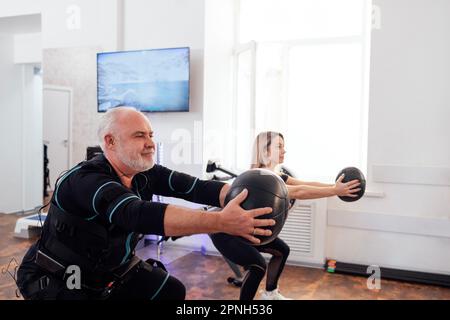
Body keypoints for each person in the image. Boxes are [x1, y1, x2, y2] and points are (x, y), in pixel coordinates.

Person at [16, 107, 275, 300]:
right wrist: (221, 222)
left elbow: (199, 188)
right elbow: (135, 213)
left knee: (171, 292)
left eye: (150, 134)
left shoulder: (144, 172)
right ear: (110, 141)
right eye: (140, 135)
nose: (150, 143)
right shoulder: (85, 180)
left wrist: (250, 192)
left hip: (109, 271)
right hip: (59, 278)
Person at [210, 131, 361, 300]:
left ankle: (270, 294)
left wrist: (336, 187)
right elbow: (299, 191)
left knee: (282, 251)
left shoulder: (275, 175)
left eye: (284, 146)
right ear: (265, 150)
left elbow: (305, 184)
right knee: (257, 266)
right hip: (227, 233)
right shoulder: (260, 176)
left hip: (248, 230)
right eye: (279, 146)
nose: (284, 150)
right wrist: (334, 191)